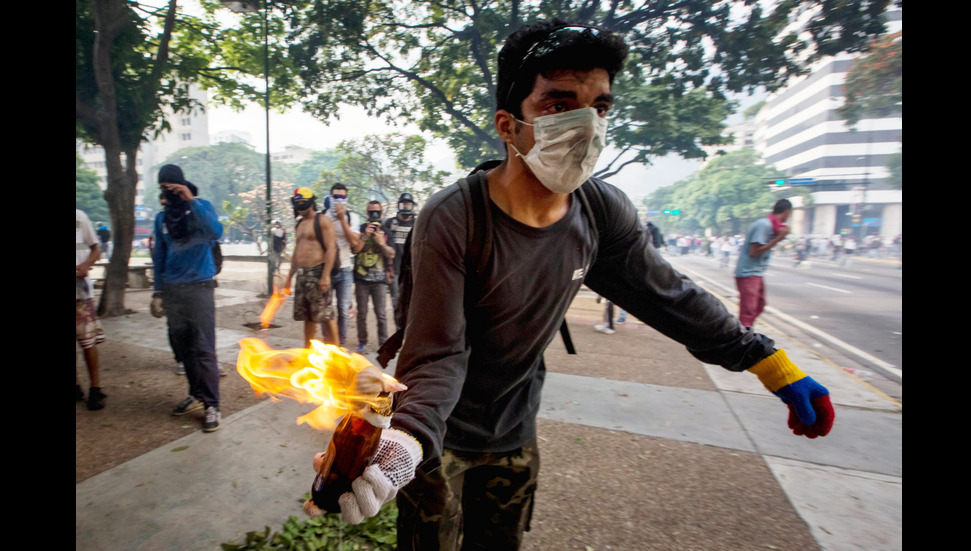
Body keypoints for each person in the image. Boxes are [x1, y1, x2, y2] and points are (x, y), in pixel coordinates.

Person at [319, 21, 835, 549]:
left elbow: (670, 296)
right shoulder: (455, 216)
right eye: (558, 104)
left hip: (515, 427)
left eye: (601, 107)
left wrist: (768, 363)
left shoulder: (600, 212)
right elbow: (437, 353)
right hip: (437, 431)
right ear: (508, 125)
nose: (586, 126)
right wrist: (406, 442)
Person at [150, 164, 224, 432]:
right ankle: (196, 393)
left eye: (172, 186)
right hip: (173, 290)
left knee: (204, 348)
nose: (168, 192)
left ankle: (212, 405)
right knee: (183, 349)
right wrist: (158, 291)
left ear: (182, 184)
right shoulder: (162, 219)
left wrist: (190, 200)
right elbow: (159, 256)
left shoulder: (201, 207)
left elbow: (216, 232)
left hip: (200, 287)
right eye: (163, 188)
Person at [284, 187, 340, 348]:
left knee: (326, 314)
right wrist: (289, 278)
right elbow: (296, 252)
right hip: (302, 275)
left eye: (303, 203)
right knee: (308, 316)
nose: (300, 206)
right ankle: (308, 350)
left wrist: (326, 275)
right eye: (297, 203)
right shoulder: (299, 224)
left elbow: (331, 248)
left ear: (311, 203)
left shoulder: (322, 220)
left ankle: (337, 352)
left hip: (318, 272)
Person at [734, 199, 793, 328]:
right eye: (789, 214)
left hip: (756, 272)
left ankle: (743, 331)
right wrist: (777, 239)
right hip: (748, 272)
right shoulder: (764, 226)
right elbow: (754, 252)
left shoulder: (771, 226)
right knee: (748, 311)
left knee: (759, 305)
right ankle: (742, 338)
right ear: (787, 212)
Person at [322, 184, 363, 348]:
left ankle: (340, 342)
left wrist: (341, 219)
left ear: (346, 199)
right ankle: (327, 342)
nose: (339, 200)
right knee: (326, 308)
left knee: (343, 309)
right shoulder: (322, 217)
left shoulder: (352, 217)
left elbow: (354, 242)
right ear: (330, 197)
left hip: (345, 269)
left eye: (342, 197)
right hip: (326, 269)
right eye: (336, 197)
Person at [353, 200, 395, 353]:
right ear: (367, 213)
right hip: (361, 279)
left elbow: (392, 253)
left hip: (380, 280)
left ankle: (383, 343)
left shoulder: (386, 232)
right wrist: (365, 236)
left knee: (381, 314)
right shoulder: (360, 229)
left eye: (377, 212)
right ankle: (362, 343)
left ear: (382, 213)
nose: (374, 215)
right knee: (362, 313)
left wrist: (381, 242)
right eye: (371, 212)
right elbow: (354, 250)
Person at [77, 209, 106, 411]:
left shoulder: (79, 217)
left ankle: (95, 388)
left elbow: (96, 248)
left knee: (88, 342)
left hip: (80, 291)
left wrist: (86, 264)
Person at [381, 192, 417, 330]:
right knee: (397, 302)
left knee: (412, 303)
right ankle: (398, 333)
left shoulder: (417, 223)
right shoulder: (390, 223)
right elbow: (386, 247)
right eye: (403, 204)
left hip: (412, 269)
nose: (406, 207)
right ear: (399, 205)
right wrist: (387, 268)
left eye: (408, 204)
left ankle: (410, 335)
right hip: (395, 269)